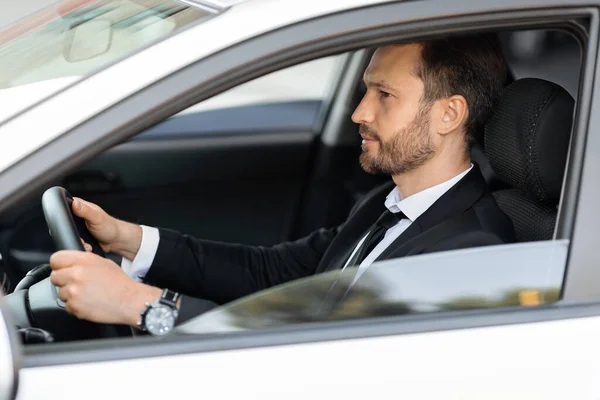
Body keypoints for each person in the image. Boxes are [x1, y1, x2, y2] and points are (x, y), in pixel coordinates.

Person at [49, 34, 516, 329]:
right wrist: (130, 240)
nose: (360, 113)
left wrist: (145, 306)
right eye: (365, 91)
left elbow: (334, 370)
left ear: (449, 114)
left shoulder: (466, 248)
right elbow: (268, 274)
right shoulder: (386, 205)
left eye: (385, 95)